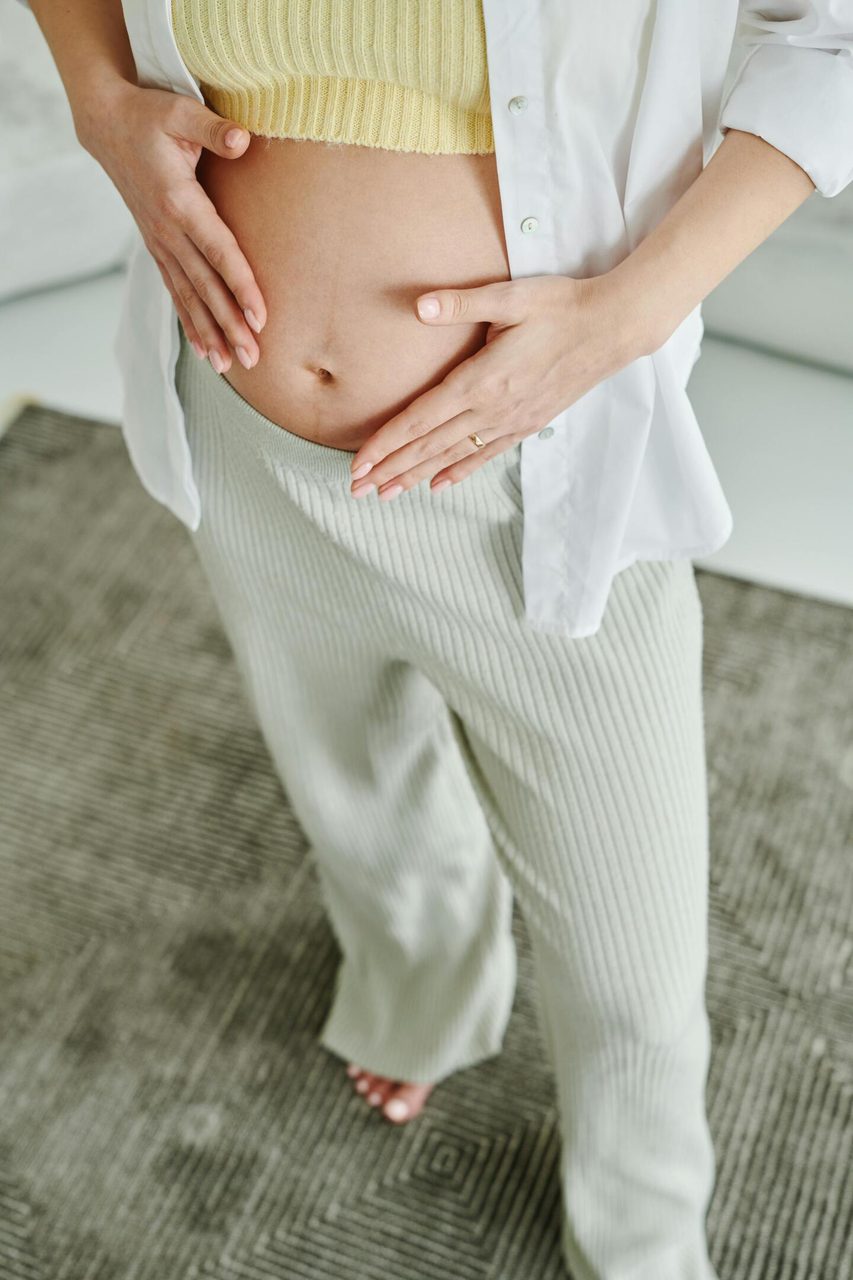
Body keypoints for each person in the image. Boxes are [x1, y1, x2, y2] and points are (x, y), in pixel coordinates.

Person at [15, 1, 853, 1276]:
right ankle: (424, 994)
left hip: (542, 470)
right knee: (357, 790)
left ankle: (641, 1235)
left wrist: (630, 310)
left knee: (628, 951)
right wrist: (97, 97)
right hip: (243, 436)